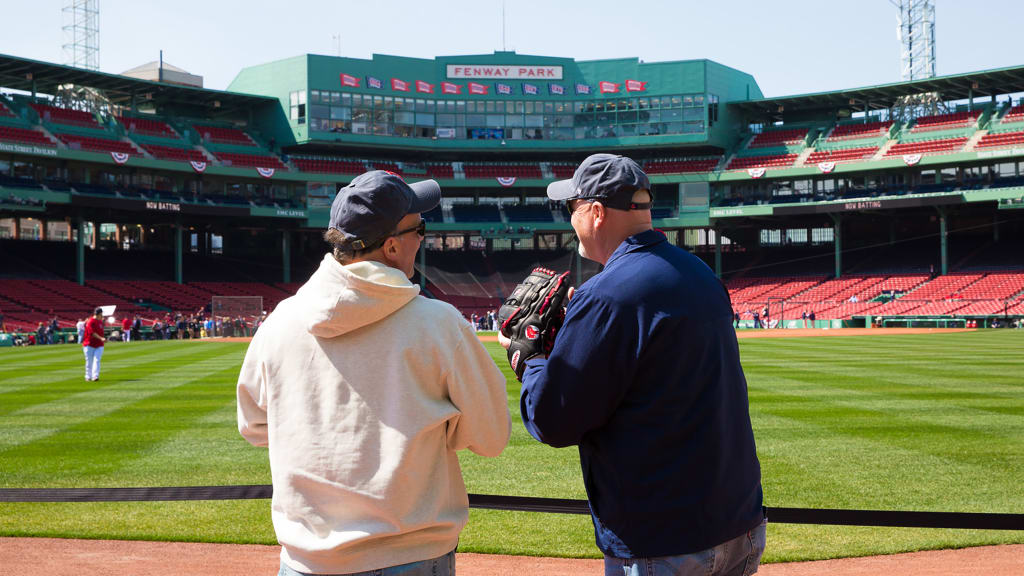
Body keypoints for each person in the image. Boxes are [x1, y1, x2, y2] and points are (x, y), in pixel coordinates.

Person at [237, 170, 511, 576]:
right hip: (412, 556)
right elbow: (491, 436)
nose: (423, 239)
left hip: (305, 561)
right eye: (421, 229)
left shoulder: (280, 320)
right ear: (393, 247)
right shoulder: (439, 323)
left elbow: (255, 426)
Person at [506, 154, 765, 576]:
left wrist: (530, 357)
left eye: (571, 209)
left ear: (595, 212)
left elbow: (553, 421)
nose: (570, 221)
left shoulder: (606, 295)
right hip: (738, 523)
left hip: (663, 539)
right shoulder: (698, 272)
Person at [82, 307, 106, 381]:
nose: (102, 315)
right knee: (89, 361)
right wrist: (101, 338)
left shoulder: (100, 321)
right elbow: (91, 333)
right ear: (99, 314)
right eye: (101, 314)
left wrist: (101, 339)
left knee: (97, 360)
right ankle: (88, 376)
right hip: (89, 344)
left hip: (99, 345)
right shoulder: (90, 321)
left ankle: (95, 376)